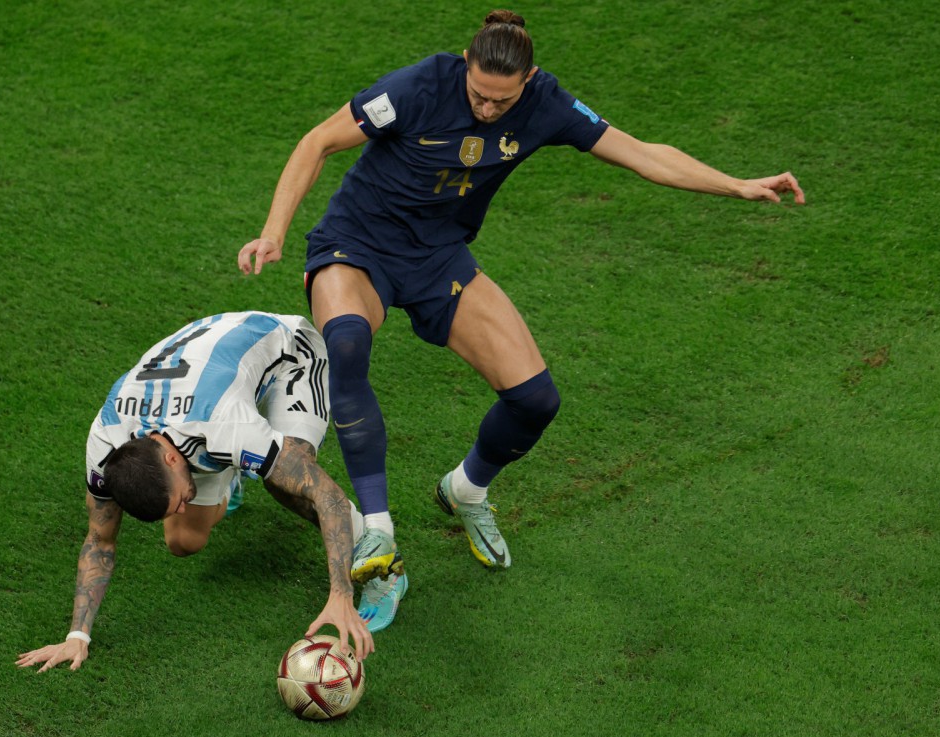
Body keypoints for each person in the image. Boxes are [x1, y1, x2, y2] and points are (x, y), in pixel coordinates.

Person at [237, 10, 805, 630]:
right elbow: (318, 141)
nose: (486, 107)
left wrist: (737, 185)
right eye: (478, 93)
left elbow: (641, 154)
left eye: (500, 99)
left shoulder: (544, 103)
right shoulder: (418, 87)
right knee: (345, 346)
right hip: (357, 246)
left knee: (535, 399)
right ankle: (377, 529)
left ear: (527, 79)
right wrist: (273, 232)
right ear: (465, 63)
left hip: (438, 260)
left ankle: (467, 490)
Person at [16, 311, 400, 672]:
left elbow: (327, 495)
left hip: (288, 353)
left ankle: (385, 568)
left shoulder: (225, 425)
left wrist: (340, 593)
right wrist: (77, 635)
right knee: (183, 540)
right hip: (204, 403)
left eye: (176, 500)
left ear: (167, 459)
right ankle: (237, 466)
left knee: (287, 485)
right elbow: (100, 540)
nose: (181, 507)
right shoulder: (106, 440)